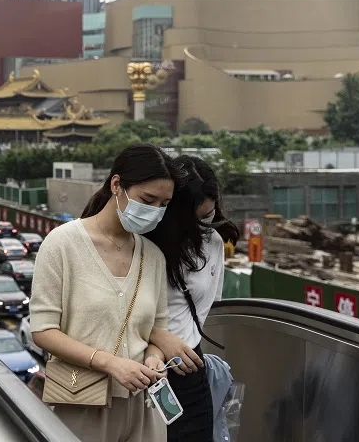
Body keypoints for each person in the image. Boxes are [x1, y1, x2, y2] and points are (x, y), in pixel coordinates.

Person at [30, 143, 185, 442]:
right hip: (81, 400)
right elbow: (43, 330)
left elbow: (156, 331)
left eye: (163, 205)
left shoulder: (152, 256)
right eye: (147, 200)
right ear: (117, 185)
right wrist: (111, 364)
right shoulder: (62, 244)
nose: (154, 212)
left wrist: (153, 358)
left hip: (144, 406)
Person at [146, 156, 240, 442]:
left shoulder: (213, 243)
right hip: (143, 368)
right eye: (195, 217)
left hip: (188, 366)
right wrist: (158, 338)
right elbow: (120, 309)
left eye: (208, 214)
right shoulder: (145, 244)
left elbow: (205, 306)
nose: (203, 224)